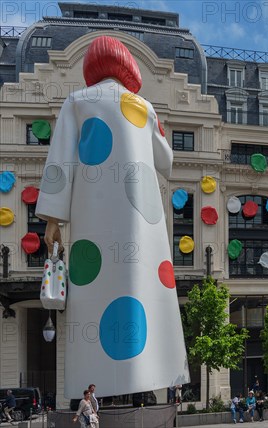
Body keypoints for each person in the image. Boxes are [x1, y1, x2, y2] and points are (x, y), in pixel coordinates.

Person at [35, 35, 189, 398]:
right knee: (145, 292)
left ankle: (95, 390)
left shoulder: (77, 102)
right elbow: (167, 161)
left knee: (95, 296)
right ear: (127, 67)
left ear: (92, 67)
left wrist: (53, 220)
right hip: (142, 224)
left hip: (93, 217)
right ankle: (145, 388)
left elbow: (60, 163)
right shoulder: (144, 107)